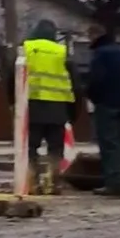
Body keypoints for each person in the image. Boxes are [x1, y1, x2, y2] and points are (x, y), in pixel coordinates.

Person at [21, 18, 79, 195]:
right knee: (55, 148)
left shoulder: (26, 50)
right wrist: (73, 113)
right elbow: (75, 85)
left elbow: (13, 79)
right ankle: (54, 182)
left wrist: (14, 105)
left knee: (30, 148)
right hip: (57, 110)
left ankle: (31, 182)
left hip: (32, 108)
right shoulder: (62, 53)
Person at [84, 23, 120, 197]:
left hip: (106, 104)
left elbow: (96, 81)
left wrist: (93, 97)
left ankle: (115, 184)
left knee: (110, 145)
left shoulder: (100, 55)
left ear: (94, 36)